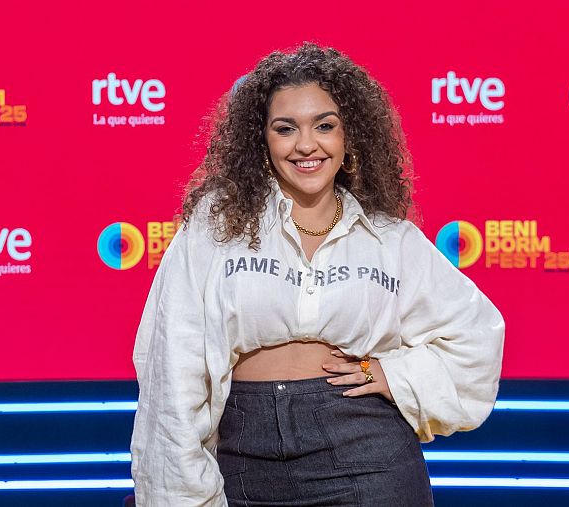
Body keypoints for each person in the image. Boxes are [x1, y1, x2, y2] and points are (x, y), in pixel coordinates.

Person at [131, 42, 505, 506]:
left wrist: (396, 375)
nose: (306, 145)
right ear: (261, 141)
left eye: (325, 126)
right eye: (285, 129)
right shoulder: (215, 227)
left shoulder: (391, 237)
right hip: (244, 456)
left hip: (368, 449)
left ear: (349, 138)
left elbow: (476, 335)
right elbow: (172, 364)